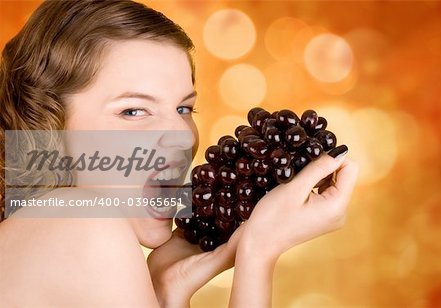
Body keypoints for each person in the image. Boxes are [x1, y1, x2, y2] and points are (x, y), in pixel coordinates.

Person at [0, 0, 358, 307]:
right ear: (48, 125)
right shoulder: (83, 225)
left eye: (184, 109)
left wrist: (167, 292)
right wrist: (258, 252)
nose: (181, 137)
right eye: (133, 111)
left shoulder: (36, 232)